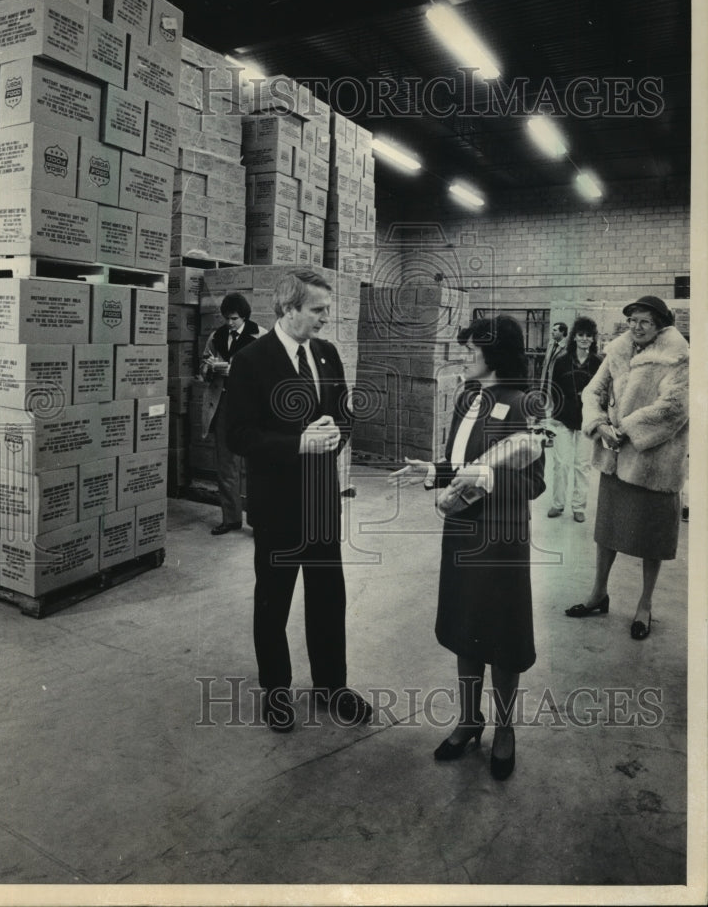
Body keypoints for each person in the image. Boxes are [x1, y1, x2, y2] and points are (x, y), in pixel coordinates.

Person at [390, 316, 546, 780]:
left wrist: (491, 476)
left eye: (472, 349)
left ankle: (504, 727)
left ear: (496, 355)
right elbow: (460, 463)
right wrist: (435, 470)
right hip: (461, 528)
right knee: (466, 623)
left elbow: (535, 482)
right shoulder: (465, 400)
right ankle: (468, 718)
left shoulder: (524, 405)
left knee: (502, 629)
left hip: (501, 535)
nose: (465, 356)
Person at [226, 270, 371, 732]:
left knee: (329, 597)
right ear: (288, 310)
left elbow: (345, 412)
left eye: (327, 309)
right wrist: (296, 444)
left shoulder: (326, 355)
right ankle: (277, 692)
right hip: (278, 506)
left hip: (321, 502)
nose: (326, 319)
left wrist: (335, 439)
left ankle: (332, 686)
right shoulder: (252, 360)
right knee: (274, 601)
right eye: (317, 310)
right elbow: (237, 434)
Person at [565, 295, 688, 640]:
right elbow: (592, 392)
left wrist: (627, 429)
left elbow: (675, 408)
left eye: (644, 322)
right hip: (614, 458)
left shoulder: (677, 356)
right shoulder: (619, 349)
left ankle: (644, 605)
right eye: (632, 320)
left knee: (652, 539)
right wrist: (599, 424)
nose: (636, 327)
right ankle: (598, 594)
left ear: (660, 324)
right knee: (607, 533)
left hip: (654, 463)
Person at [199, 293, 265, 535]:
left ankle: (260, 522)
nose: (229, 323)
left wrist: (237, 371)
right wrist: (210, 367)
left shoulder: (262, 336)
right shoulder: (216, 336)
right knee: (226, 465)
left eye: (234, 319)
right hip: (223, 405)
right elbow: (202, 366)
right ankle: (231, 518)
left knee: (255, 466)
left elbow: (271, 374)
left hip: (251, 408)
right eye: (226, 318)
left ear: (245, 316)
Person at [547, 317, 603, 522]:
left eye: (588, 335)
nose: (584, 339)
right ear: (574, 337)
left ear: (593, 338)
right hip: (563, 419)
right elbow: (554, 389)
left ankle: (579, 507)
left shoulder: (598, 362)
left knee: (582, 464)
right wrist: (555, 414)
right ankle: (557, 504)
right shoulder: (562, 361)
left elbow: (603, 392)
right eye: (581, 335)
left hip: (587, 421)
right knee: (561, 464)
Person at [539, 321, 569, 406]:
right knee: (544, 400)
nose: (552, 332)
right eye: (552, 330)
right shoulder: (551, 344)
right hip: (546, 378)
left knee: (555, 401)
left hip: (557, 380)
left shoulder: (567, 347)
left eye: (555, 330)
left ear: (562, 332)